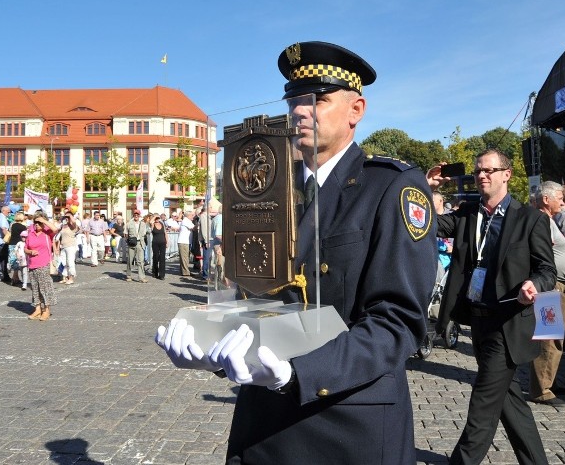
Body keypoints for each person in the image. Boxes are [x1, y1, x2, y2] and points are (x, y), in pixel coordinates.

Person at [157, 41, 435, 464]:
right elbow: (254, 299)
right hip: (265, 423)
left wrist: (297, 374)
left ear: (355, 110)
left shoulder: (390, 188)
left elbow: (398, 322)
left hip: (346, 422)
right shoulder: (267, 190)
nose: (299, 111)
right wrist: (215, 348)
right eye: (293, 100)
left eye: (317, 100)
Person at [428, 148, 556, 464]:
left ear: (506, 175)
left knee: (483, 405)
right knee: (510, 401)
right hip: (479, 321)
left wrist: (534, 285)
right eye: (477, 171)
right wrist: (429, 189)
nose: (481, 175)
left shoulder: (531, 219)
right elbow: (427, 224)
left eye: (488, 170)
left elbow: (547, 270)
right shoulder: (468, 213)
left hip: (508, 322)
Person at [529, 181, 565, 407]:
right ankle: (541, 389)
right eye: (559, 196)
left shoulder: (548, 220)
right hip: (550, 286)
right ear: (546, 199)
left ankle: (549, 380)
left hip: (558, 286)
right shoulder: (540, 220)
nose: (562, 199)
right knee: (549, 337)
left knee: (555, 337)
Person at [24, 213, 59, 321]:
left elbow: (55, 229)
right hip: (32, 264)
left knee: (45, 287)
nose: (37, 225)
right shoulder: (31, 234)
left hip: (44, 264)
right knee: (35, 288)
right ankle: (38, 308)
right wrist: (30, 251)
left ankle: (46, 309)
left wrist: (43, 220)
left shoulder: (47, 233)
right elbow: (25, 248)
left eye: (39, 223)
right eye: (36, 223)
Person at [55, 213, 79, 285]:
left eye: (67, 218)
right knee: (63, 262)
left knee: (70, 262)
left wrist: (70, 215)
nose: (66, 219)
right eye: (65, 217)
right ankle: (65, 277)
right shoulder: (62, 226)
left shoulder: (72, 226)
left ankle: (71, 278)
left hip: (70, 246)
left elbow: (74, 222)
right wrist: (57, 248)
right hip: (63, 246)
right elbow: (59, 238)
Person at [125, 210, 148, 283]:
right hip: (131, 244)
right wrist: (128, 241)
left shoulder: (143, 224)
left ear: (139, 215)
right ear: (133, 215)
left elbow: (144, 234)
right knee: (130, 260)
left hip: (140, 243)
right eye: (135, 214)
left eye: (137, 214)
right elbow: (125, 234)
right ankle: (129, 276)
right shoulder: (128, 224)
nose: (136, 215)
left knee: (140, 261)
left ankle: (141, 277)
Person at [175, 212, 194, 278]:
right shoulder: (186, 220)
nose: (193, 216)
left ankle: (184, 270)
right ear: (188, 215)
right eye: (192, 215)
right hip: (183, 242)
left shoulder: (187, 221)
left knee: (185, 257)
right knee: (184, 257)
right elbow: (193, 228)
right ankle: (185, 272)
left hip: (186, 241)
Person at [150, 216, 167, 280]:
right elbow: (151, 221)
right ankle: (155, 272)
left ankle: (162, 274)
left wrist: (167, 242)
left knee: (162, 258)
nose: (157, 219)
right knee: (156, 257)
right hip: (155, 243)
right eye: (156, 218)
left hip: (162, 243)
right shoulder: (152, 224)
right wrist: (155, 216)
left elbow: (165, 233)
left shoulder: (162, 224)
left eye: (158, 218)